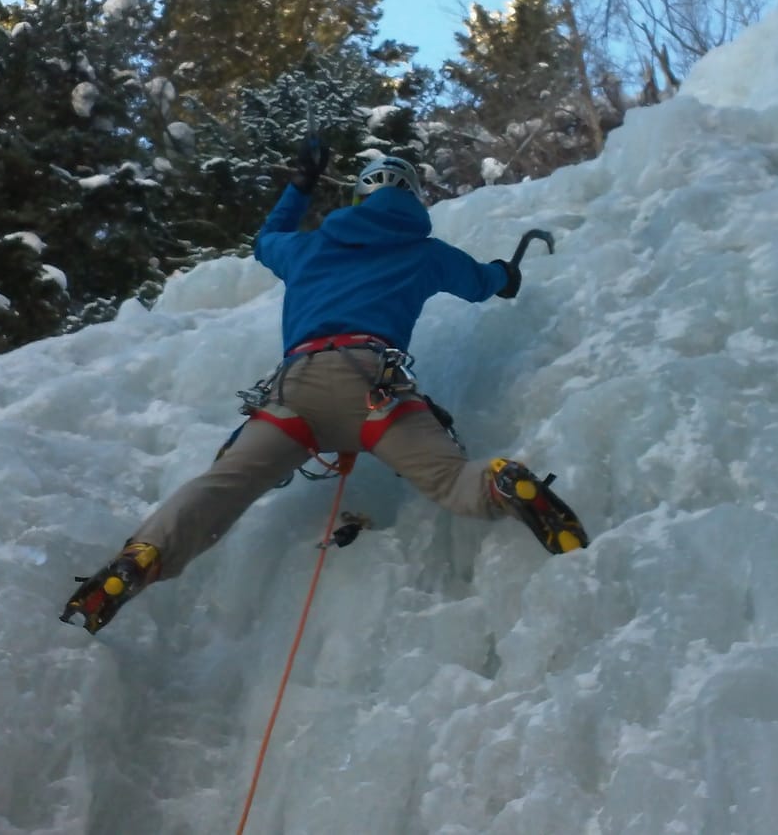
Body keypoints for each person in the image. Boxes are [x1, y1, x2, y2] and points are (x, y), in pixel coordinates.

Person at [63, 144, 588, 633]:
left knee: (224, 484)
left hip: (298, 393)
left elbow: (265, 241)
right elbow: (479, 283)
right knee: (451, 481)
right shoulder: (424, 252)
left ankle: (144, 555)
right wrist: (506, 275)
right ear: (412, 199)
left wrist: (300, 185)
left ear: (359, 196)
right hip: (376, 389)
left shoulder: (310, 248)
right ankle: (499, 482)